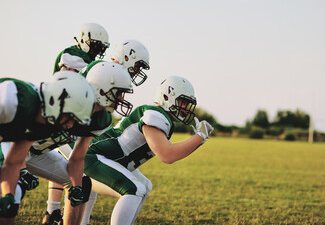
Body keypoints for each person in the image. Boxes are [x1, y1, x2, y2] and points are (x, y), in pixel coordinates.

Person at [83, 75, 214, 225]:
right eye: (183, 102)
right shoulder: (155, 115)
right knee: (135, 189)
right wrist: (199, 137)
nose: (185, 107)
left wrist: (199, 139)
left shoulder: (161, 117)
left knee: (144, 186)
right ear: (166, 97)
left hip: (104, 159)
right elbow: (167, 155)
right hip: (93, 157)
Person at [0, 71, 96, 224]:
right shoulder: (13, 97)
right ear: (54, 102)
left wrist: (8, 197)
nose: (71, 125)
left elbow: (12, 163)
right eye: (70, 117)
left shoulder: (42, 123)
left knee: (12, 197)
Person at [42, 22, 110, 224]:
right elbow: (85, 74)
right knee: (79, 170)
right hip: (62, 118)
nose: (97, 51)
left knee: (63, 166)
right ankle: (62, 214)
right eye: (95, 45)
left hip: (69, 117)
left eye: (100, 48)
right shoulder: (71, 54)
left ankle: (52, 212)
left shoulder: (83, 58)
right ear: (83, 39)